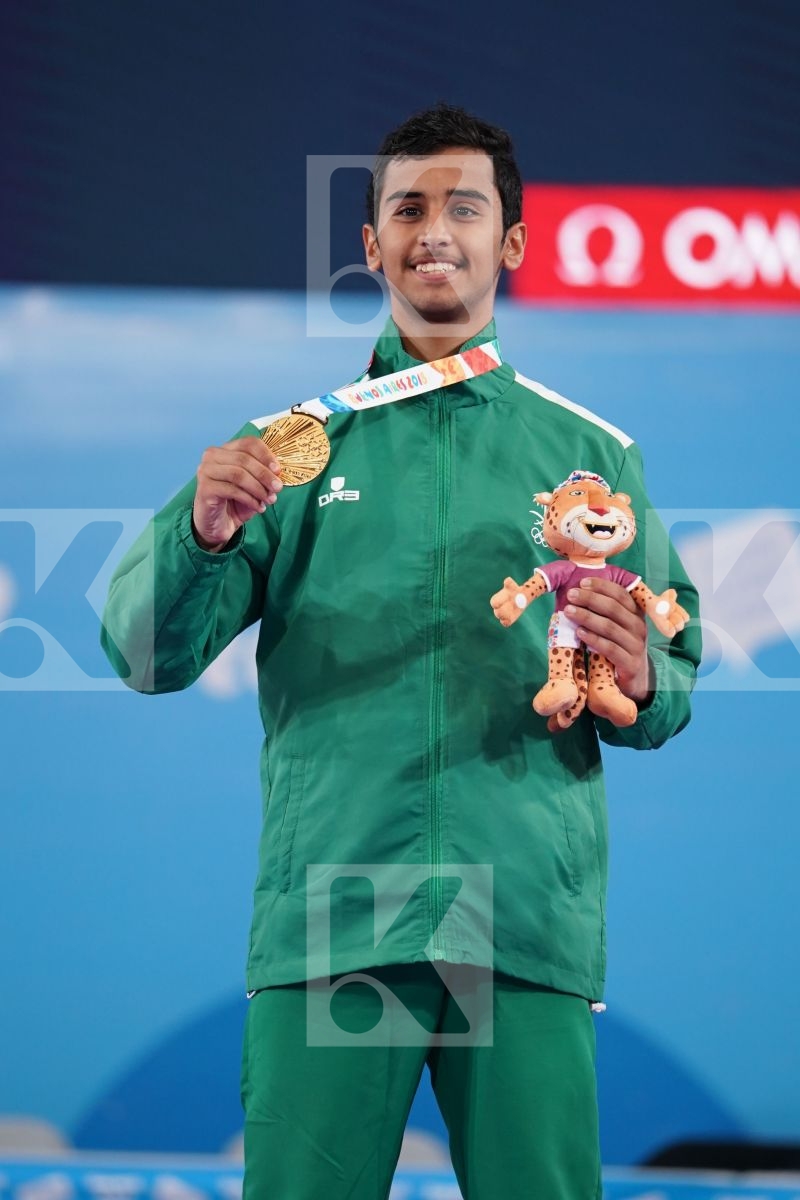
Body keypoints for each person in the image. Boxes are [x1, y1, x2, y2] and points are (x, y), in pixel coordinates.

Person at [101, 104, 701, 1200]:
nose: (434, 229)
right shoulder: (288, 446)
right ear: (370, 244)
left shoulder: (590, 452)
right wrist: (199, 534)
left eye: (462, 206)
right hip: (338, 913)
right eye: (406, 207)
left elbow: (670, 680)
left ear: (508, 242)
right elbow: (144, 654)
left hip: (517, 915)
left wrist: (646, 671)